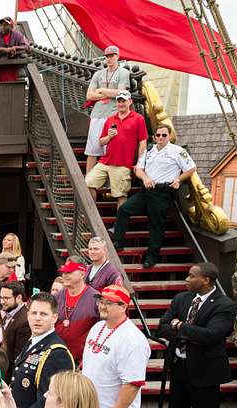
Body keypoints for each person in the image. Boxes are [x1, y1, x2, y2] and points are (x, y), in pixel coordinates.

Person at [158, 262, 237, 408]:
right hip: (179, 368)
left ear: (206, 280)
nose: (187, 279)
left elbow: (211, 336)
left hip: (205, 373)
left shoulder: (225, 305)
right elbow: (162, 327)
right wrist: (192, 332)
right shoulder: (181, 299)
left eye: (192, 276)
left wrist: (179, 326)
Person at [115, 124, 197, 268]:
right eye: (158, 135)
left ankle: (151, 257)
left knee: (155, 225)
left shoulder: (178, 151)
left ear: (169, 136)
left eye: (164, 135)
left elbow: (191, 168)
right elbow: (138, 169)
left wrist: (179, 179)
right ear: (154, 136)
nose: (160, 138)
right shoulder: (149, 150)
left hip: (163, 192)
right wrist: (145, 178)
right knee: (124, 209)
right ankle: (118, 242)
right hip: (147, 189)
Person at [85, 91, 147, 209]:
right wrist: (109, 136)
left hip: (123, 164)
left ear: (130, 102)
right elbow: (101, 142)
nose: (121, 103)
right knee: (87, 184)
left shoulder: (138, 118)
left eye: (123, 101)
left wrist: (140, 163)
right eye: (119, 101)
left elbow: (142, 142)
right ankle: (92, 215)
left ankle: (119, 226)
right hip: (105, 161)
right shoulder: (110, 119)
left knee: (121, 195)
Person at [84, 46, 131, 176]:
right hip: (97, 115)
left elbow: (121, 93)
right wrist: (109, 94)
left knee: (110, 148)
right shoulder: (98, 74)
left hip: (113, 115)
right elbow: (89, 96)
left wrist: (102, 91)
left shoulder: (123, 73)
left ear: (117, 56)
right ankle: (88, 179)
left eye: (112, 55)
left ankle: (109, 179)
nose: (109, 58)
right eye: (107, 56)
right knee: (93, 149)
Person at [54, 259, 100, 362]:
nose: (64, 275)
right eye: (64, 272)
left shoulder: (95, 298)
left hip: (83, 360)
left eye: (69, 272)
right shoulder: (58, 296)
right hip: (57, 356)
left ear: (82, 274)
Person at [0, 16, 29, 82]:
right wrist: (6, 49)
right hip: (0, 67)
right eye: (1, 25)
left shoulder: (19, 35)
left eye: (5, 25)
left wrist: (15, 47)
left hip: (14, 67)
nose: (2, 27)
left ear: (11, 26)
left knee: (14, 87)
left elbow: (27, 47)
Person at [0, 281, 30, 373]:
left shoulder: (24, 321)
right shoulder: (9, 313)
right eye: (1, 297)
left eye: (6, 298)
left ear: (19, 298)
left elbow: (19, 356)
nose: (2, 301)